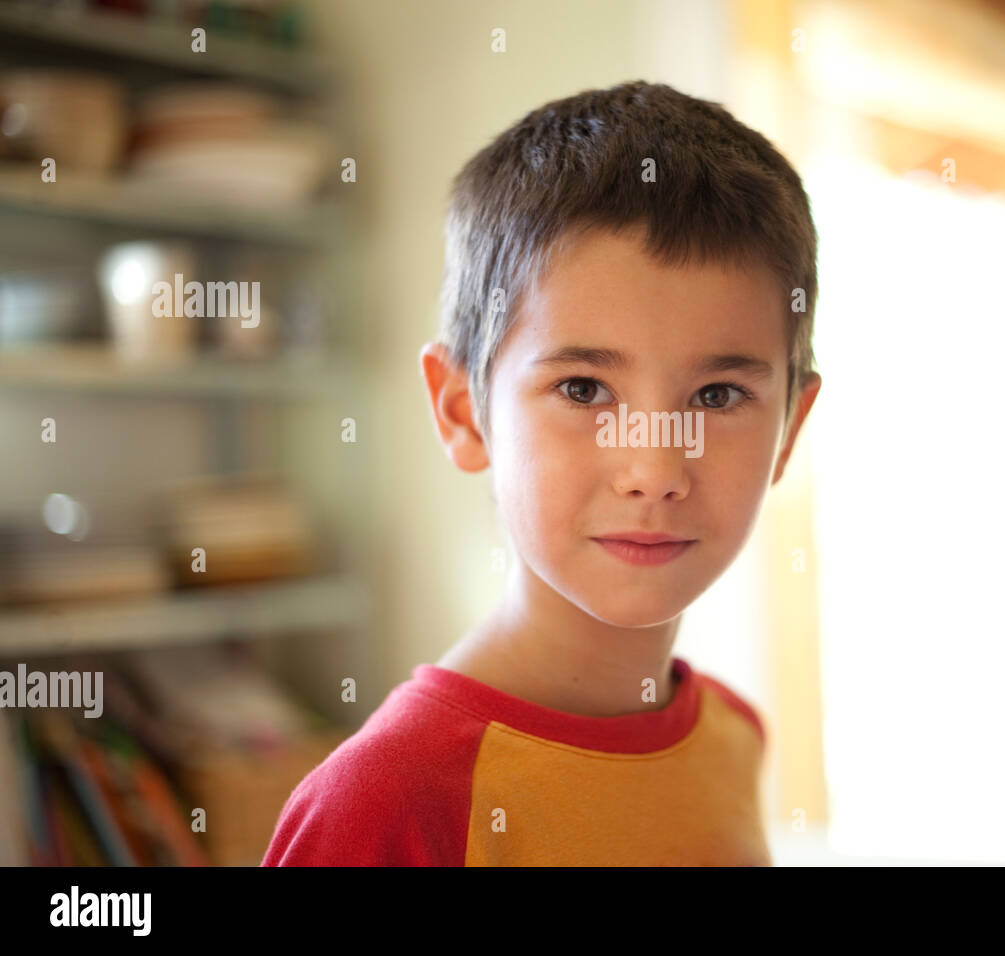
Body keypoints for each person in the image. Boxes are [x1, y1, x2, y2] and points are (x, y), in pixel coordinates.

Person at [263, 80, 821, 866]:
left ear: (790, 428)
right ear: (463, 411)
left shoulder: (733, 736)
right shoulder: (386, 805)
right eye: (584, 389)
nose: (654, 470)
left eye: (718, 394)